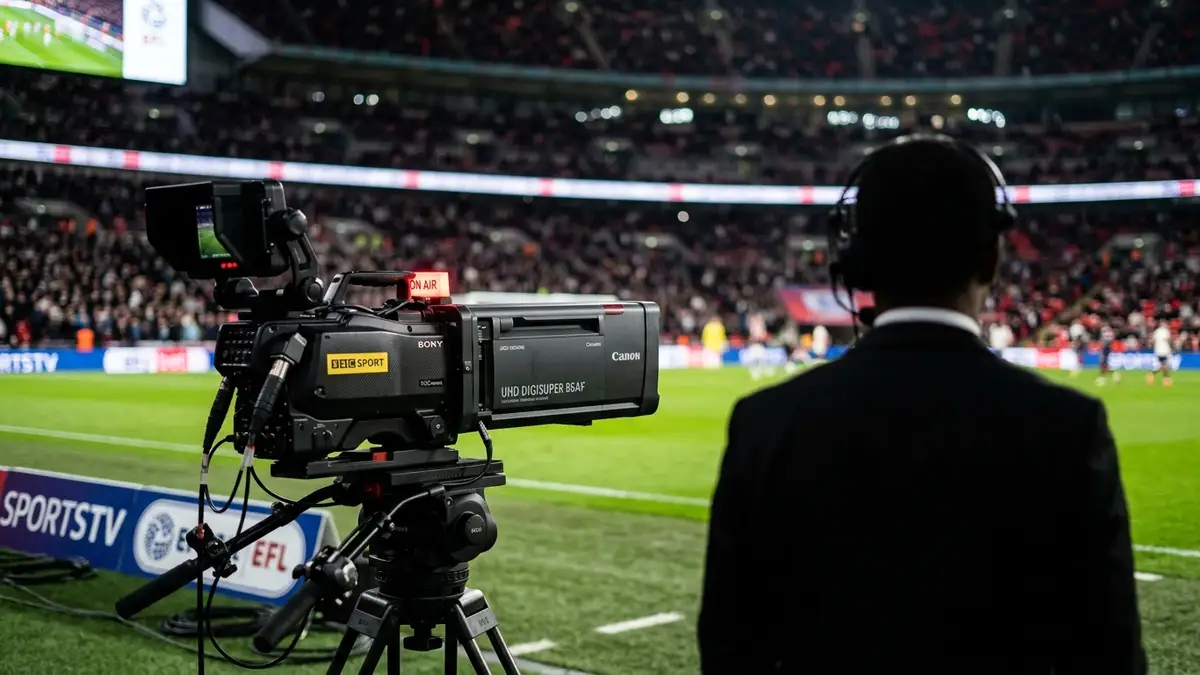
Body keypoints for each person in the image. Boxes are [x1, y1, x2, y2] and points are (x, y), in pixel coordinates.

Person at [699, 135, 1145, 675]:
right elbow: (1109, 657)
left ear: (858, 262)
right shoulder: (1068, 429)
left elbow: (730, 650)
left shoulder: (765, 423)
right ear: (992, 256)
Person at [1148, 320, 1173, 387]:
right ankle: (1166, 380)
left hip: (1158, 351)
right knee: (1165, 365)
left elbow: (1153, 341)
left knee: (1163, 365)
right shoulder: (1166, 331)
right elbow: (1169, 340)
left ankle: (1152, 373)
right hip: (1165, 351)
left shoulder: (1156, 331)